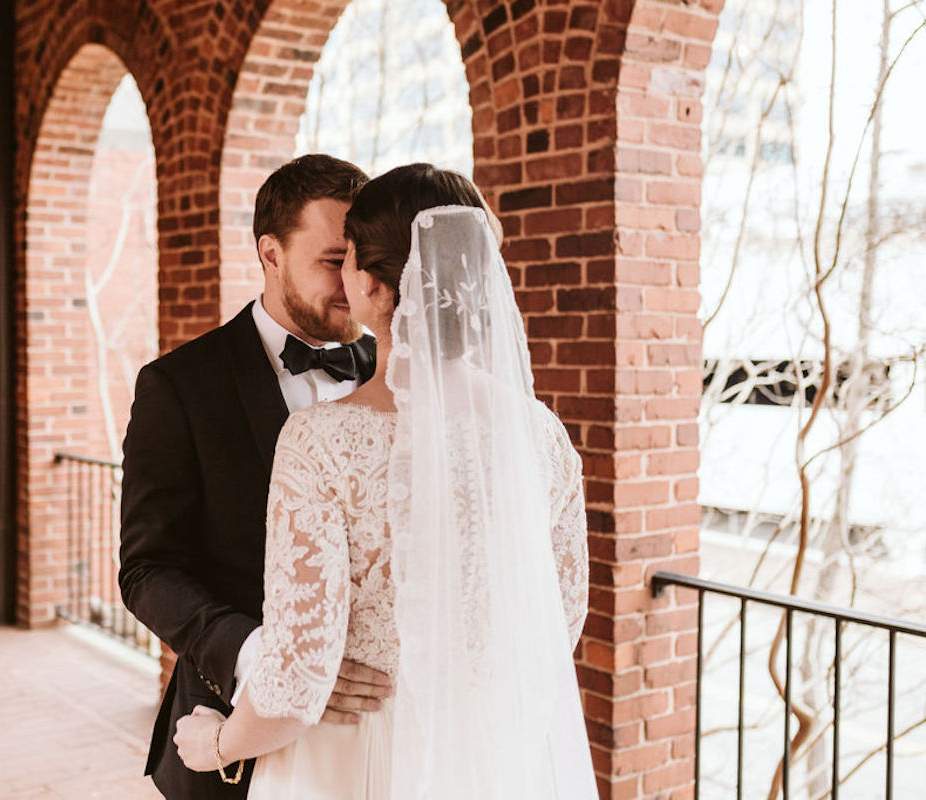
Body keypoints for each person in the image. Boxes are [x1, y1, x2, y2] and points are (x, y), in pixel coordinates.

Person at [173, 164, 598, 798]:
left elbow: (297, 679)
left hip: (351, 759)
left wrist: (216, 746)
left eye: (347, 259)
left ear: (371, 285)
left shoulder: (321, 442)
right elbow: (556, 627)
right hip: (485, 757)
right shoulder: (542, 436)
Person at [118, 154, 397, 800]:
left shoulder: (403, 377)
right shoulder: (179, 388)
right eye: (333, 260)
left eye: (362, 260)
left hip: (378, 742)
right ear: (270, 253)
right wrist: (267, 660)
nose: (353, 281)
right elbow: (147, 571)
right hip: (232, 736)